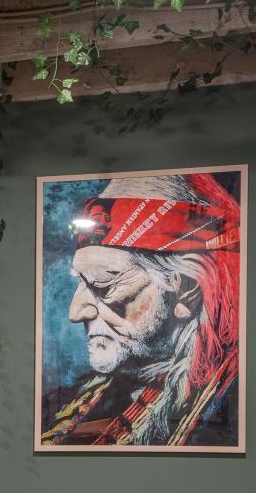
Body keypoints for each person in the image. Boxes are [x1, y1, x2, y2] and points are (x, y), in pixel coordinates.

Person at [40, 171, 241, 448]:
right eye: (81, 282)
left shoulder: (222, 410)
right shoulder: (78, 401)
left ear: (186, 292)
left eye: (103, 283)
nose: (75, 313)